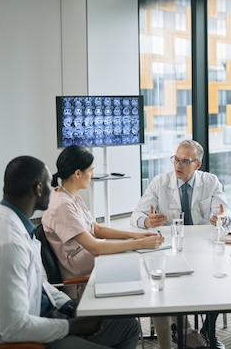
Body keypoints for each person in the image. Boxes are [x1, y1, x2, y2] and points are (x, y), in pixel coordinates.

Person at [0, 155, 140, 349]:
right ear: (38, 189)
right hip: (24, 342)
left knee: (128, 327)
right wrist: (72, 327)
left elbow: (40, 285)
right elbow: (13, 329)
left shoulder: (17, 226)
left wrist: (69, 306)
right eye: (50, 183)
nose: (55, 189)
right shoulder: (6, 243)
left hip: (45, 318)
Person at [42, 146, 172, 349]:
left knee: (143, 263)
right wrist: (138, 243)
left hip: (94, 266)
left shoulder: (71, 196)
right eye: (90, 170)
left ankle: (168, 339)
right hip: (84, 279)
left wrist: (136, 235)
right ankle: (168, 339)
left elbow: (97, 229)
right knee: (147, 273)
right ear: (78, 173)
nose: (92, 175)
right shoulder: (62, 205)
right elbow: (94, 247)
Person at [131, 139, 231, 349]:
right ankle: (181, 329)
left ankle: (207, 331)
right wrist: (146, 221)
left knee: (220, 279)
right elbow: (136, 216)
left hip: (203, 247)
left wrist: (221, 219)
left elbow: (225, 211)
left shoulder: (211, 181)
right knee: (169, 284)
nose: (178, 165)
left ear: (197, 164)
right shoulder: (160, 182)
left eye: (185, 161)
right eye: (176, 159)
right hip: (170, 247)